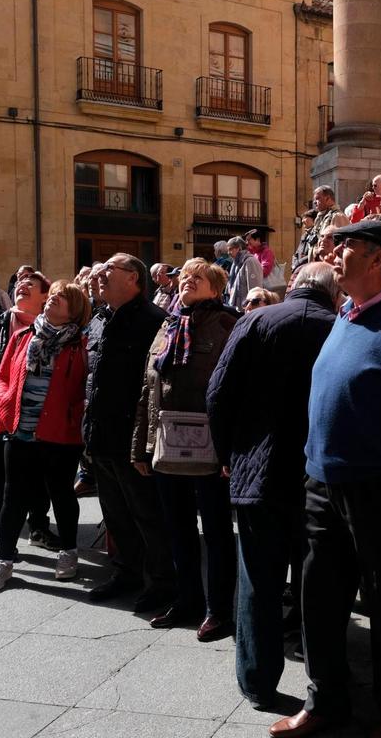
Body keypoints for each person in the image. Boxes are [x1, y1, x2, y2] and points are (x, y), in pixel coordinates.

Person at [270, 221, 381, 738]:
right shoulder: (346, 314)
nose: (335, 253)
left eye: (348, 247)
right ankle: (324, 701)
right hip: (322, 482)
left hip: (375, 489)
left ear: (377, 260)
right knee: (319, 599)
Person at [209, 261, 339, 711]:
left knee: (258, 580)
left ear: (295, 286)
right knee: (317, 580)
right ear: (333, 292)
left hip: (258, 470)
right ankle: (323, 680)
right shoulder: (340, 327)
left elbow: (218, 393)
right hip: (317, 474)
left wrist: (229, 454)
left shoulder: (256, 320)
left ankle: (256, 681)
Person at [131, 258, 239, 639]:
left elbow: (237, 391)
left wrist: (231, 451)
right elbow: (149, 388)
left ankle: (219, 609)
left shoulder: (228, 324)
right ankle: (188, 599)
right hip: (167, 446)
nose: (186, 282)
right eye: (184, 277)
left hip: (210, 450)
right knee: (178, 529)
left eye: (197, 278)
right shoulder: (168, 324)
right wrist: (141, 447)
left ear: (216, 288)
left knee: (216, 531)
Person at [0, 280, 90, 592]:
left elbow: (86, 386)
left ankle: (68, 552)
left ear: (75, 310)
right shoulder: (22, 336)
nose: (54, 299)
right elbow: (2, 376)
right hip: (20, 430)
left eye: (63, 298)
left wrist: (75, 414)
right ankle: (3, 559)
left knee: (61, 493)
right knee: (12, 496)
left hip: (61, 433)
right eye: (53, 295)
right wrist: (3, 405)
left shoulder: (80, 344)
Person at [83, 253, 176, 613]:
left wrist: (144, 443)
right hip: (100, 435)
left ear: (134, 278)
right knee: (116, 513)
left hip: (132, 439)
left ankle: (163, 582)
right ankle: (126, 572)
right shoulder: (99, 320)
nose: (100, 274)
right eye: (101, 268)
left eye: (110, 269)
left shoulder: (155, 321)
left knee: (147, 515)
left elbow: (155, 389)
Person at [0, 271, 59, 550]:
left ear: (45, 296)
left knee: (39, 477)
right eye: (19, 284)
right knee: (0, 477)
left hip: (39, 416)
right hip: (0, 412)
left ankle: (39, 527)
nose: (22, 287)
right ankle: (1, 535)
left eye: (32, 284)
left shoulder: (55, 327)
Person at [225, 236, 265, 310]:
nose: (228, 253)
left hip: (248, 309)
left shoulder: (250, 261)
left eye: (230, 249)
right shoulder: (236, 263)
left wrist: (252, 307)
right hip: (239, 307)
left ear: (239, 248)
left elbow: (255, 288)